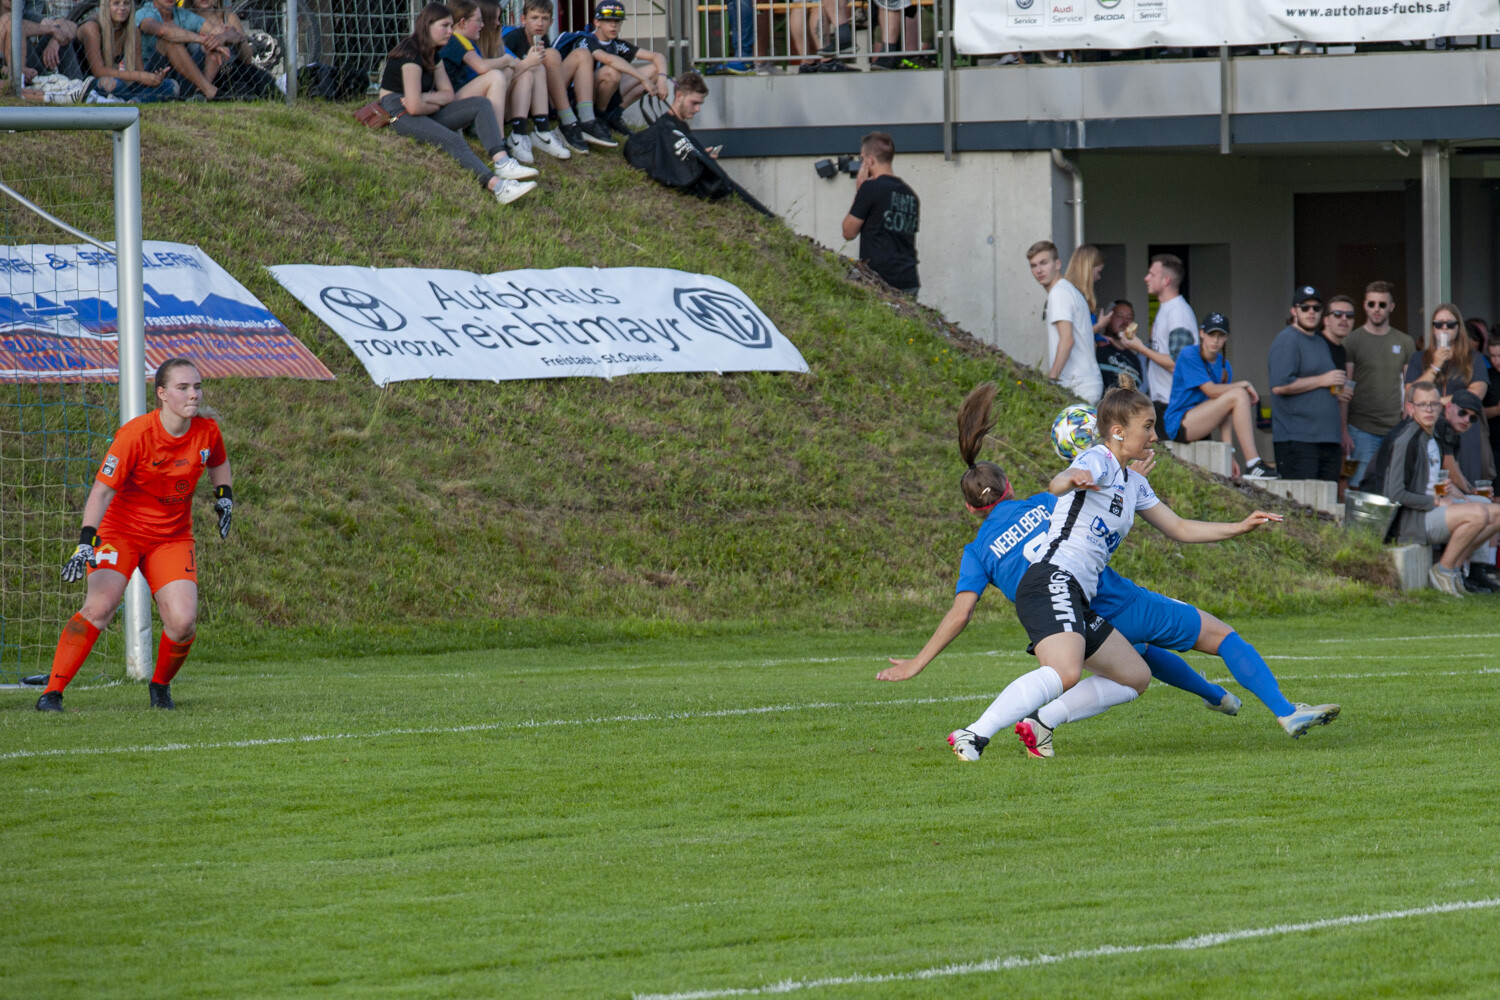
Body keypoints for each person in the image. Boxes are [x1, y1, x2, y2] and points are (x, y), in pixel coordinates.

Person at [878, 388, 1337, 755]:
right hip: (1059, 584)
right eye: (1148, 427)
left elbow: (1178, 527)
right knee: (1068, 671)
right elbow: (1062, 481)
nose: (1154, 435)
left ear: (970, 508)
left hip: (1077, 594)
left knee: (1135, 672)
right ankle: (976, 733)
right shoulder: (1092, 463)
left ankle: (1045, 720)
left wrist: (1239, 526)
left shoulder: (1127, 482)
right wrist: (1070, 478)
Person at [35, 359, 233, 713]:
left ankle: (160, 688)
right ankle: (52, 693)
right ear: (162, 394)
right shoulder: (135, 434)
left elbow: (218, 461)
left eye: (197, 386)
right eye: (183, 388)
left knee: (183, 623)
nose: (194, 394)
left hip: (172, 537)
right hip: (120, 532)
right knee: (99, 607)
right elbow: (101, 492)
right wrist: (85, 542)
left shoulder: (207, 430)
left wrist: (225, 497)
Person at [378, 3, 538, 207]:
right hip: (397, 110)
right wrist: (428, 102)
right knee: (453, 140)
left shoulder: (434, 53)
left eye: (450, 25)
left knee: (481, 104)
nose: (449, 31)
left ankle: (502, 162)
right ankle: (499, 187)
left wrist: (427, 99)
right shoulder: (411, 55)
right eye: (444, 26)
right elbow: (413, 108)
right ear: (427, 25)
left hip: (423, 105)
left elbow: (447, 94)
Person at [1360, 381, 1500, 597]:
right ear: (1410, 408)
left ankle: (1455, 571)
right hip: (1408, 521)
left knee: (1495, 512)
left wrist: (1452, 494)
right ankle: (1443, 570)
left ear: (1440, 407)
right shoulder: (1406, 440)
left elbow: (1429, 482)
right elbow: (1394, 494)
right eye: (1423, 405)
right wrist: (1436, 501)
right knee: (1479, 513)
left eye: (1433, 404)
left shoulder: (1432, 435)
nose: (1429, 410)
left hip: (1427, 511)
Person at [1162, 312, 1274, 478]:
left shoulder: (1224, 365)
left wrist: (1229, 453)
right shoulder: (1189, 353)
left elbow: (1225, 412)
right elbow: (1211, 390)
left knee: (1237, 396)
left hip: (1201, 423)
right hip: (1179, 424)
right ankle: (1253, 463)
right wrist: (1243, 384)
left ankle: (1252, 464)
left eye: (1220, 335)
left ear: (1226, 338)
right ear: (1201, 333)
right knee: (1239, 394)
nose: (1215, 340)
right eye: (1211, 334)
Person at [502, 0, 616, 148]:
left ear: (551, 22)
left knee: (582, 53)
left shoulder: (543, 39)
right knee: (551, 54)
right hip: (517, 101)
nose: (540, 23)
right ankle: (568, 122)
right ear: (523, 19)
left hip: (543, 97)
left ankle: (587, 120)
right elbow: (504, 75)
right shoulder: (513, 37)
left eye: (545, 19)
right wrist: (528, 62)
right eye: (534, 18)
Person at [1403, 303, 1492, 488]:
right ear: (1433, 328)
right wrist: (1435, 366)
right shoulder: (1419, 358)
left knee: (1466, 482)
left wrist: (1438, 401)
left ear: (1459, 327)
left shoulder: (1473, 358)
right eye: (1439, 324)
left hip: (1464, 428)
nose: (1444, 328)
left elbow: (1476, 394)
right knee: (1434, 485)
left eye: (1450, 324)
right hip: (1430, 427)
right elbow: (1412, 393)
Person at [1268, 285, 1345, 481]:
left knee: (1327, 499)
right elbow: (1279, 386)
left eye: (1316, 308)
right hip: (1298, 439)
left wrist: (1335, 390)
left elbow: (1324, 384)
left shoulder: (1320, 342)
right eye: (1305, 308)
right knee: (1302, 499)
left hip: (1328, 438)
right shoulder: (1287, 339)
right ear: (1294, 311)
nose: (1311, 312)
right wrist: (1322, 380)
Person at [1344, 280, 1415, 487]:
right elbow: (1346, 388)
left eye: (1382, 304)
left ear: (1391, 307)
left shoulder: (1405, 341)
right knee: (1358, 485)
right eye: (1371, 304)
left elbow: (1409, 386)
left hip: (1395, 427)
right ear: (1364, 306)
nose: (1376, 309)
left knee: (1394, 485)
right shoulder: (1352, 341)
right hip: (1360, 427)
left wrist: (1406, 422)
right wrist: (1344, 429)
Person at [568, 1, 669, 135]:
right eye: (608, 21)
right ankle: (599, 117)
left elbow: (658, 56)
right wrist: (643, 79)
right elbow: (608, 59)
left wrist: (662, 79)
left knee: (655, 71)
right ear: (597, 22)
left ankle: (612, 116)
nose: (613, 25)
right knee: (612, 73)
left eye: (617, 21)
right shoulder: (587, 40)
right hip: (580, 97)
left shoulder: (616, 44)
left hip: (603, 93)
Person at [840, 131, 920, 296]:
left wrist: (860, 192)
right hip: (909, 280)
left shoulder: (870, 188)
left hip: (880, 281)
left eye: (862, 159)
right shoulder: (911, 195)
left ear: (870, 160)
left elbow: (848, 232)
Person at [1027, 240, 1103, 404]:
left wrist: (1051, 379)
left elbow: (1067, 339)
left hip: (1077, 386)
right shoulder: (1068, 290)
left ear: (1057, 264)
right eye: (1033, 265)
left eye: (1044, 263)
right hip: (1085, 383)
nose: (1039, 270)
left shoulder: (1059, 293)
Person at [1129, 253, 1196, 426]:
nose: (1146, 278)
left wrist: (1140, 348)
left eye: (1152, 274)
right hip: (1164, 403)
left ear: (1166, 280)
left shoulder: (1178, 313)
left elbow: (1177, 363)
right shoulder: (1166, 309)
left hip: (1176, 406)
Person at [77, 0, 178, 103]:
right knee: (113, 84)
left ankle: (131, 101)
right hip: (91, 85)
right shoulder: (92, 27)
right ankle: (140, 99)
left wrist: (153, 79)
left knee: (171, 85)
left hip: (122, 86)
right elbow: (98, 72)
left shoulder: (133, 30)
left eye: (126, 3)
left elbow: (140, 71)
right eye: (116, 3)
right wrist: (139, 76)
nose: (122, 8)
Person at [135, 0, 225, 100]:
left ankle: (202, 93)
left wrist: (220, 38)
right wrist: (202, 40)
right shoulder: (143, 13)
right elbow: (163, 31)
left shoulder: (181, 14)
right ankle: (209, 91)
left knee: (214, 43)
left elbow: (220, 31)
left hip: (182, 75)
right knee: (169, 41)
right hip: (152, 76)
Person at [188, 0, 276, 99]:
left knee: (264, 82)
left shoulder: (228, 18)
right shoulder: (185, 18)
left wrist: (238, 40)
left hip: (232, 72)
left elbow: (247, 59)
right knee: (216, 45)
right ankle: (202, 92)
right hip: (198, 72)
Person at [1095, 299, 1143, 392]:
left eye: (1130, 318)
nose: (1125, 321)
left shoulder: (1134, 359)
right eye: (1119, 316)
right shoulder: (1097, 346)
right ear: (1108, 318)